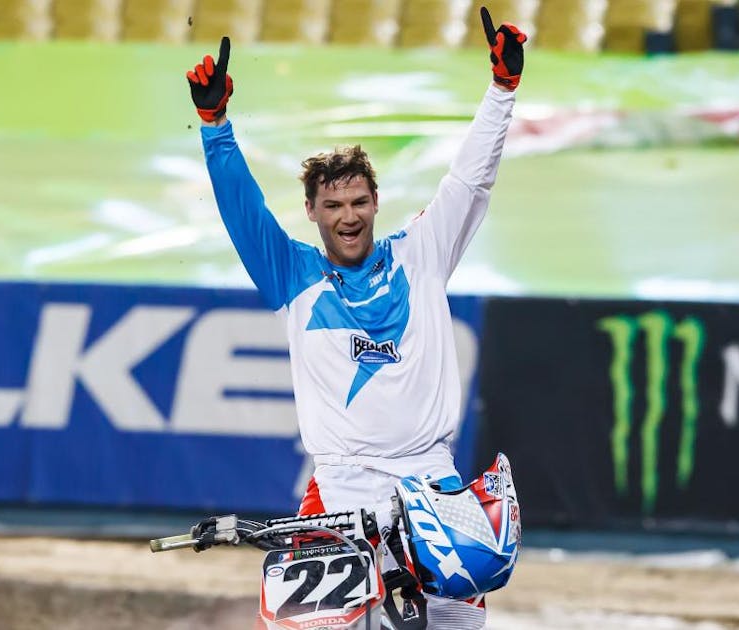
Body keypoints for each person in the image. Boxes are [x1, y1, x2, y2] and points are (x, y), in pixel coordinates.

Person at [186, 7, 525, 629]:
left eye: (359, 201)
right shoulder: (292, 274)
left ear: (375, 202)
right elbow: (244, 213)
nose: (349, 215)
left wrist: (503, 90)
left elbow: (470, 181)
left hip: (433, 487)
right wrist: (215, 127)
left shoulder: (423, 252)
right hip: (340, 492)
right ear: (312, 211)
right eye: (333, 204)